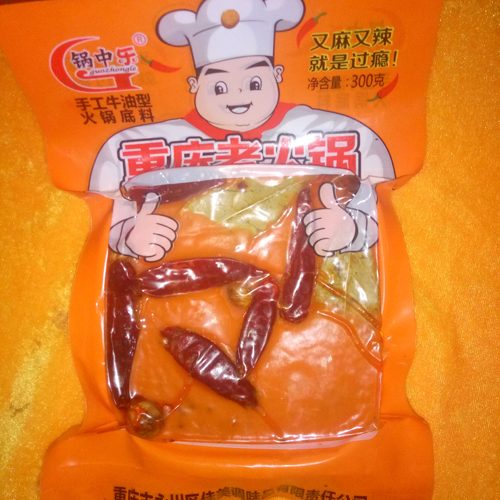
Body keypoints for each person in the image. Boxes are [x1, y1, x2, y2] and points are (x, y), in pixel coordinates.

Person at [89, 0, 395, 262]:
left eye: (254, 82)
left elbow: (380, 196)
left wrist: (353, 229)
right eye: (219, 86)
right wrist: (128, 235)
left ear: (277, 74)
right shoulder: (138, 142)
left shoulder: (334, 130)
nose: (237, 96)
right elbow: (103, 209)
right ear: (194, 85)